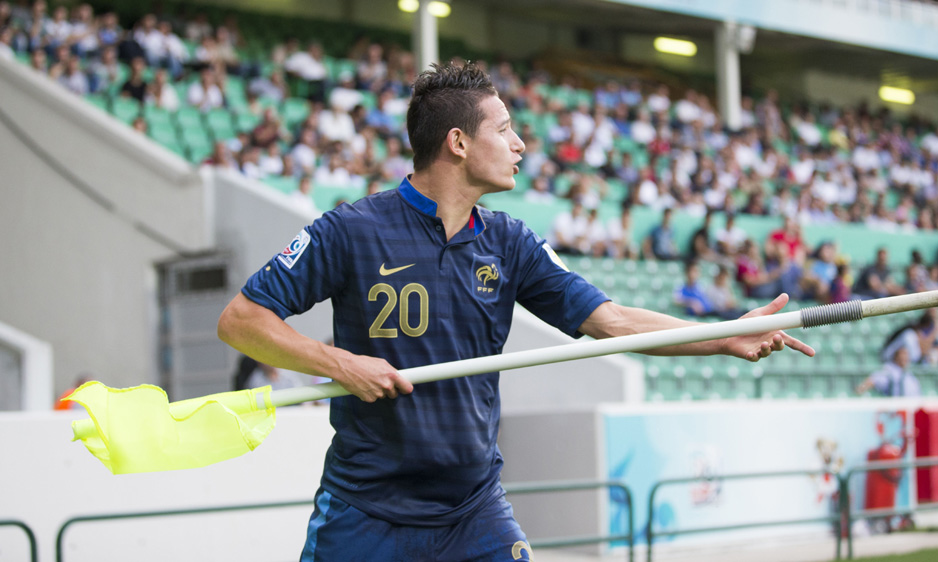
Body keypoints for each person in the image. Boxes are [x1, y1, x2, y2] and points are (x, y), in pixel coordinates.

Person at [216, 61, 813, 562]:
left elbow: (613, 322)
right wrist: (341, 364)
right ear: (458, 142)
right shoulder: (350, 230)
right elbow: (241, 319)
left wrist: (730, 334)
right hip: (365, 513)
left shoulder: (510, 242)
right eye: (504, 130)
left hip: (475, 510)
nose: (520, 144)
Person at [856, 345, 921, 397]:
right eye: (903, 354)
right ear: (896, 356)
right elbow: (872, 380)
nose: (906, 357)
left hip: (911, 408)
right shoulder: (889, 370)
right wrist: (860, 390)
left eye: (907, 354)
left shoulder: (909, 373)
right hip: (896, 409)